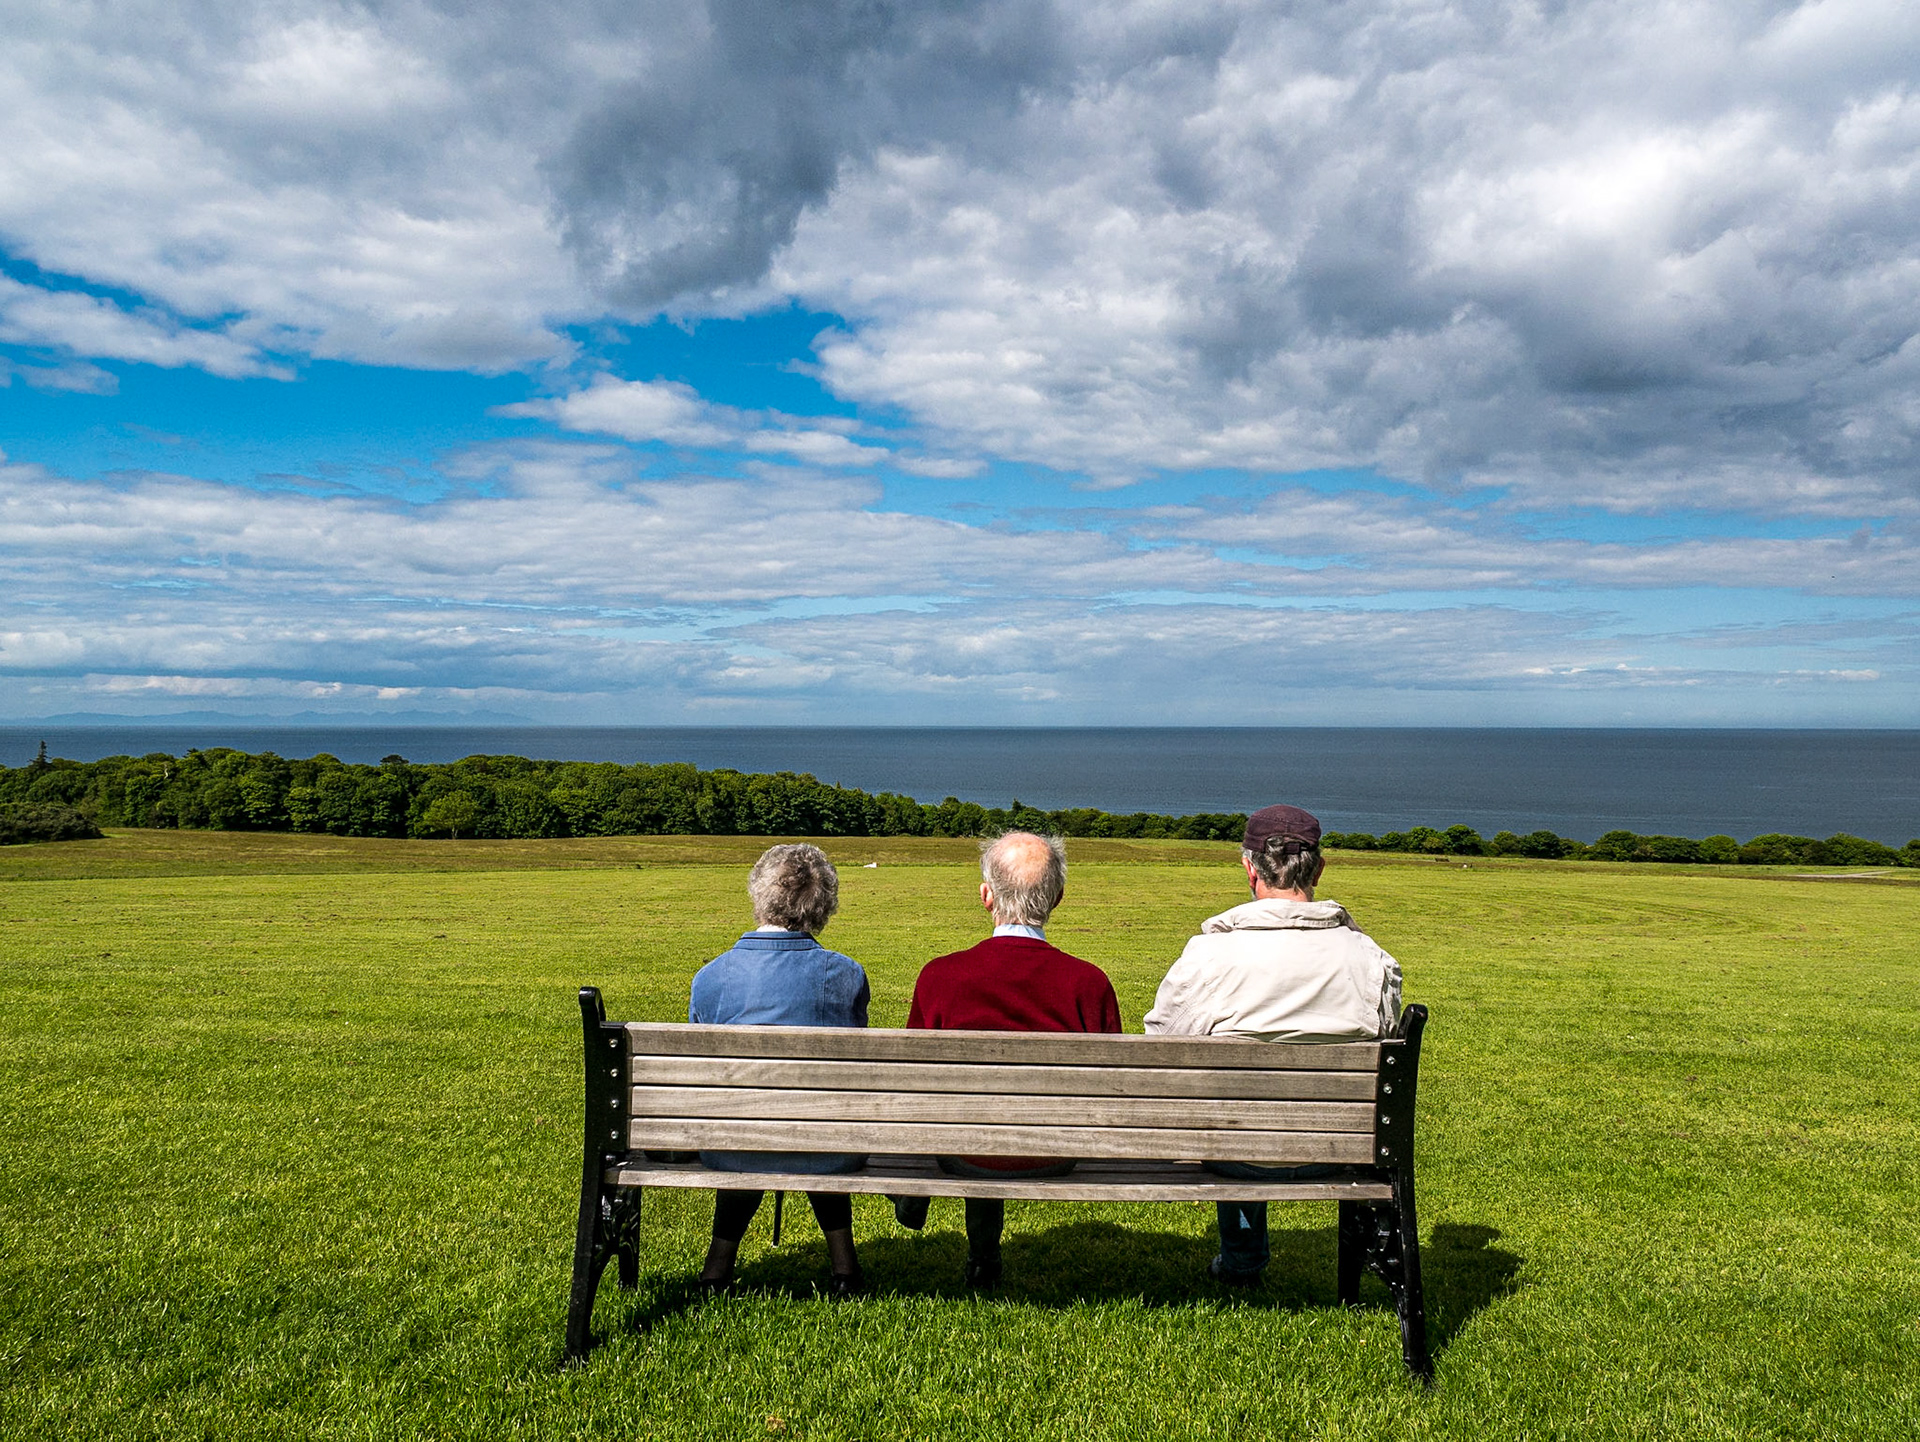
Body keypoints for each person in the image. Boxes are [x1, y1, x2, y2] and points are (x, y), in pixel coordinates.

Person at [1144, 804, 1402, 1288]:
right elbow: (1387, 1043)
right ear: (1319, 868)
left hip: (1234, 1149)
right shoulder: (1370, 959)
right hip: (1339, 1148)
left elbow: (1162, 1048)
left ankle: (1241, 1261)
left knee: (1237, 1108)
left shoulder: (1212, 955)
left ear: (1249, 866)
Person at [893, 831, 1124, 1287]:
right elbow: (1113, 1085)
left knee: (976, 1119)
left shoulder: (940, 976)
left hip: (962, 1152)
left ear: (986, 896)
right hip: (1056, 1151)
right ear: (1057, 899)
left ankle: (978, 1255)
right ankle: (979, 1254)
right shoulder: (1088, 983)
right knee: (987, 1119)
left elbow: (911, 1081)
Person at [688, 843, 870, 1297]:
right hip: (825, 1146)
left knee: (752, 1122)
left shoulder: (711, 977)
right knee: (816, 1120)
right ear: (824, 905)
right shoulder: (846, 975)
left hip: (732, 1145)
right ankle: (844, 1267)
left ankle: (717, 1269)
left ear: (758, 894)